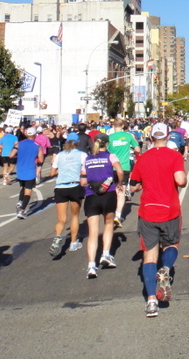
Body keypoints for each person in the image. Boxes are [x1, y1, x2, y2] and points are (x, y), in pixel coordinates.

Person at [128, 122, 187, 317]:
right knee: (171, 245)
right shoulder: (175, 156)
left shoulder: (142, 159)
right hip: (169, 210)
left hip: (148, 211)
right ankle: (166, 268)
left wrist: (135, 187)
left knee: (149, 256)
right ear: (168, 136)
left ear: (151, 137)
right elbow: (180, 180)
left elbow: (134, 185)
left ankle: (151, 301)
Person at [80, 133, 125, 278]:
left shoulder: (87, 159)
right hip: (108, 194)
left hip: (91, 196)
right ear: (107, 143)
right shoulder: (110, 156)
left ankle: (91, 266)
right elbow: (119, 170)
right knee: (109, 224)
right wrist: (119, 183)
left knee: (93, 232)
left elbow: (82, 180)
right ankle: (106, 254)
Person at [48, 132, 87, 256]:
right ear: (78, 143)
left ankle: (58, 237)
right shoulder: (82, 155)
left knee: (61, 219)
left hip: (61, 187)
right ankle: (73, 243)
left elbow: (52, 172)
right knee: (74, 216)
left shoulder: (60, 155)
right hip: (75, 185)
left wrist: (62, 169)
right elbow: (85, 171)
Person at [108, 119, 140, 228]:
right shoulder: (128, 136)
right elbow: (137, 149)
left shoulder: (110, 138)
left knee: (112, 190)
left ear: (113, 126)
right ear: (122, 126)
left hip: (112, 167)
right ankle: (117, 215)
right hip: (124, 167)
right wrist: (131, 148)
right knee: (121, 191)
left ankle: (110, 213)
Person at [10, 128, 43, 219]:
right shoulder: (37, 145)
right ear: (35, 135)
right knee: (28, 191)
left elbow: (11, 155)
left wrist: (20, 155)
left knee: (23, 187)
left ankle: (20, 201)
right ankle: (22, 210)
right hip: (30, 170)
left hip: (20, 170)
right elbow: (41, 160)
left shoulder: (19, 144)